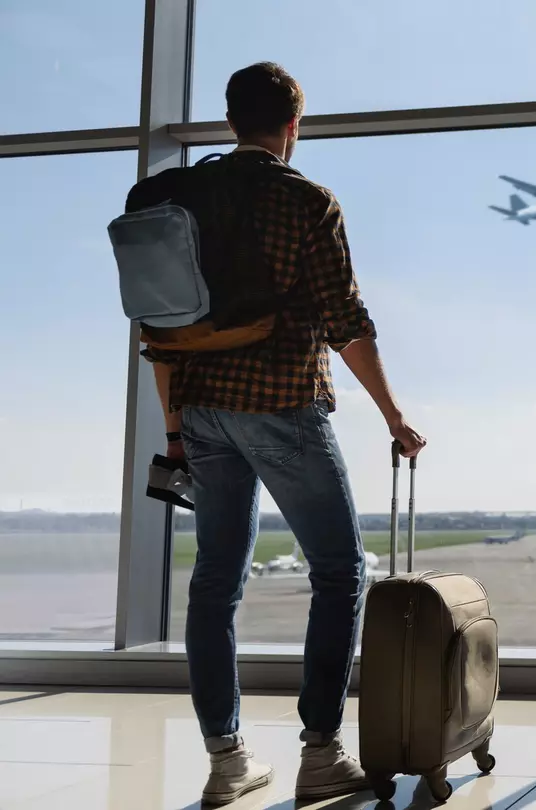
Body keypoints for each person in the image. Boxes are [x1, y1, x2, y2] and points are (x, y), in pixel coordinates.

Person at [143, 62, 425, 806]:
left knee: (216, 582)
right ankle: (321, 751)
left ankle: (226, 759)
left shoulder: (181, 198)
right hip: (280, 404)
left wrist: (175, 429)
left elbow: (159, 331)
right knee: (339, 571)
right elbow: (346, 323)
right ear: (293, 126)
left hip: (201, 410)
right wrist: (393, 415)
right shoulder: (306, 201)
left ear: (232, 120)